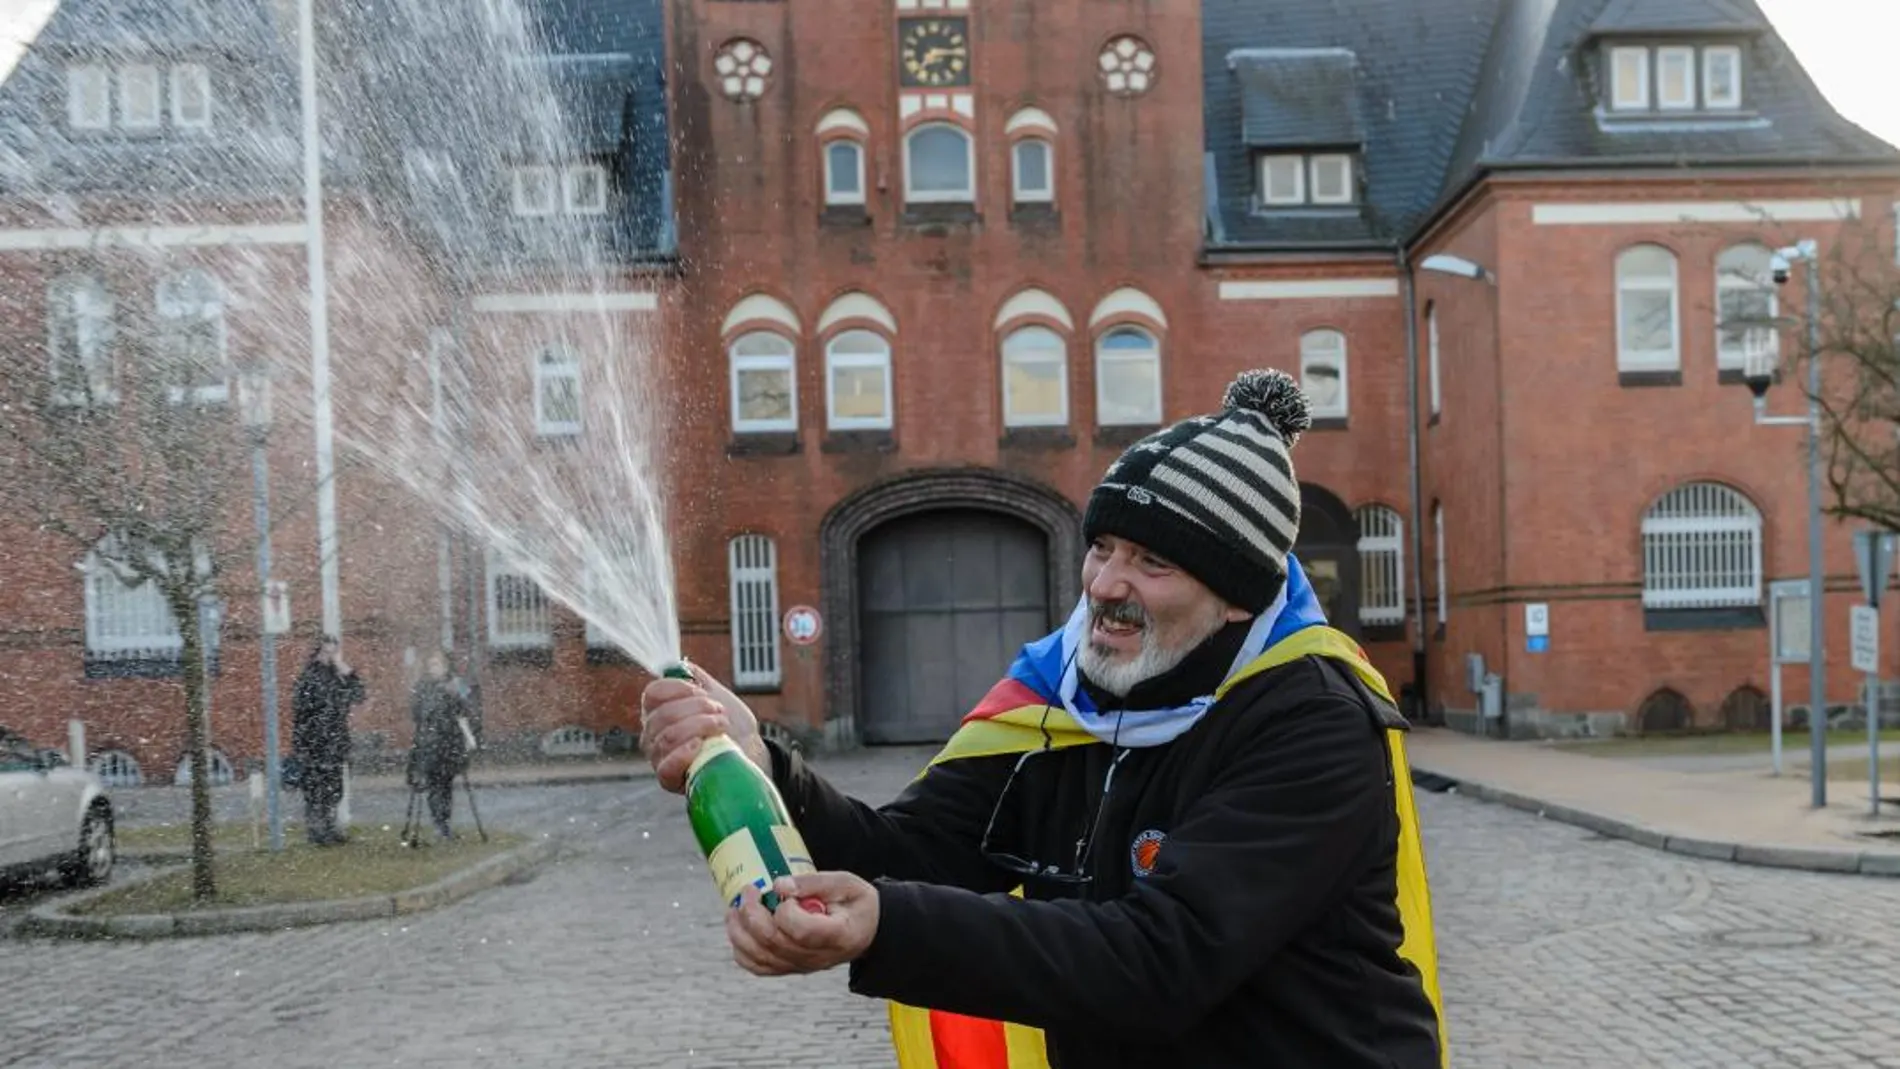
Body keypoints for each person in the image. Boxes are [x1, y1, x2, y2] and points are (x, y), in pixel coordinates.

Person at [640, 369, 1446, 1069]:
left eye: (1152, 561)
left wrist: (885, 924)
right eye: (1103, 547)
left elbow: (1161, 958)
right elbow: (913, 852)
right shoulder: (1063, 698)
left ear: (1238, 595)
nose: (1104, 583)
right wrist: (761, 763)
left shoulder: (1313, 722)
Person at [291, 635, 365, 846]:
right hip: (315, 742)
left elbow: (359, 695)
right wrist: (303, 745)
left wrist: (347, 670)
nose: (330, 657)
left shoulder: (338, 676)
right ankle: (317, 832)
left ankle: (329, 828)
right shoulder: (309, 677)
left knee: (334, 788)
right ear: (318, 652)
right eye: (326, 652)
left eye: (334, 652)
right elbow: (301, 714)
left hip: (335, 741)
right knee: (316, 789)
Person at [406, 649, 471, 840]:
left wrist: (456, 696)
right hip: (429, 743)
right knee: (434, 784)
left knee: (446, 784)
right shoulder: (423, 687)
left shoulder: (456, 683)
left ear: (445, 666)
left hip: (450, 741)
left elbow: (467, 707)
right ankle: (439, 824)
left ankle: (445, 822)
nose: (434, 668)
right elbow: (417, 713)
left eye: (437, 664)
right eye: (431, 665)